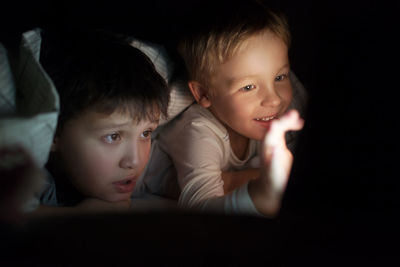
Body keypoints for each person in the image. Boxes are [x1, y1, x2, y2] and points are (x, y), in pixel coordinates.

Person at [136, 0, 305, 216]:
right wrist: (260, 192)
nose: (274, 99)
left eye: (280, 77)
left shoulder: (286, 104)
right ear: (204, 94)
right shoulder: (198, 130)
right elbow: (200, 207)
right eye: (249, 87)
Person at [33, 28, 170, 214]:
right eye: (113, 136)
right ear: (52, 132)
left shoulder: (146, 162)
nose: (135, 161)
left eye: (146, 133)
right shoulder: (25, 174)